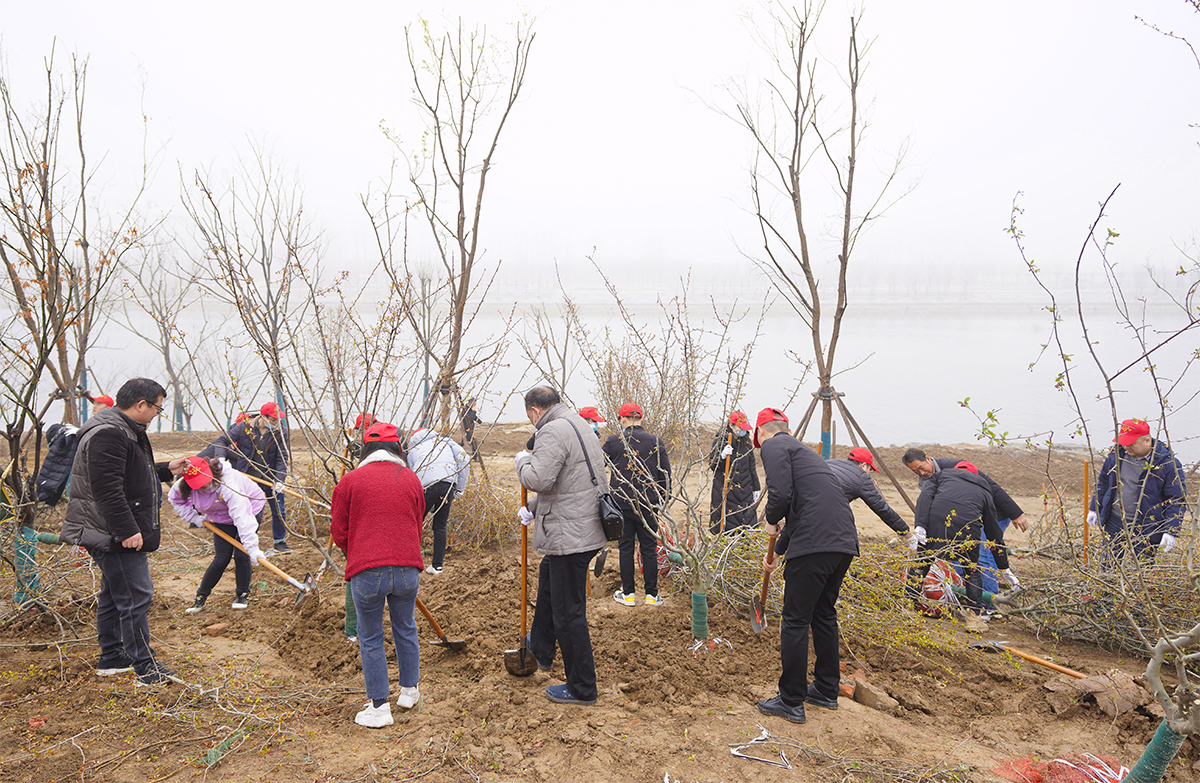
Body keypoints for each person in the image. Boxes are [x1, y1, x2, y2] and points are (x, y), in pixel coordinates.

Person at [59, 378, 186, 685]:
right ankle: (145, 668)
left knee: (115, 594)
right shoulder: (111, 434)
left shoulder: (120, 430)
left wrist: (168, 469)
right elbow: (107, 489)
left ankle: (113, 657)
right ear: (140, 404)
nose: (158, 413)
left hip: (107, 528)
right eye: (156, 406)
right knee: (136, 594)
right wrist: (127, 530)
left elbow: (129, 472)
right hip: (111, 531)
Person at [755, 407, 858, 725]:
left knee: (795, 620)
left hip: (815, 542)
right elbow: (804, 507)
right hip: (842, 542)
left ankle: (791, 700)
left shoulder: (774, 444)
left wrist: (771, 521)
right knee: (824, 614)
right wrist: (779, 551)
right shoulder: (806, 455)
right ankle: (826, 690)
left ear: (761, 432)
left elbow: (781, 495)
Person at [331, 422, 427, 728]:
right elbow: (418, 524)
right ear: (397, 447)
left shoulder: (349, 482)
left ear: (365, 448)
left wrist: (358, 552)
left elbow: (339, 532)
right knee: (406, 627)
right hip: (407, 568)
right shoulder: (411, 479)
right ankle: (410, 691)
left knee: (370, 636)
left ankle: (379, 707)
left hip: (367, 570)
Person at [515, 385, 607, 705]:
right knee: (548, 576)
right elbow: (570, 484)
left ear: (535, 410)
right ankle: (540, 647)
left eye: (530, 417)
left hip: (571, 535)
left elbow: (538, 478)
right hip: (582, 526)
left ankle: (582, 688)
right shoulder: (578, 423)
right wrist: (535, 510)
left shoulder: (552, 430)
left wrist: (521, 462)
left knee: (568, 613)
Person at [903, 447, 1028, 592]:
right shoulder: (926, 479)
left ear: (928, 458)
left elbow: (993, 487)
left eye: (921, 467)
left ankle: (989, 604)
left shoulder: (959, 467)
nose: (921, 473)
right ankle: (968, 593)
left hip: (993, 514)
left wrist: (1016, 514)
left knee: (983, 557)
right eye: (915, 472)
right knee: (957, 554)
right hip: (965, 517)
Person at [911, 460, 1017, 614]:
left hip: (935, 524)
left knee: (921, 563)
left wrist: (920, 525)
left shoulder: (939, 477)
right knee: (971, 570)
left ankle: (907, 607)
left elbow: (924, 499)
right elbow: (993, 533)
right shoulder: (985, 491)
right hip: (967, 530)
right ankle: (973, 617)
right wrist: (1004, 568)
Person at [170, 456, 266, 612]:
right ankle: (200, 598)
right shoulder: (183, 486)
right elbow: (176, 500)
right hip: (220, 518)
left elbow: (241, 515)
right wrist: (194, 518)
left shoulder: (227, 483)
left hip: (249, 508)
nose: (204, 487)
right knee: (221, 558)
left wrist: (252, 547)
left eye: (205, 481)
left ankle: (242, 594)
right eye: (198, 486)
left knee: (242, 554)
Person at [1088, 418, 1186, 560]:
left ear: (1147, 441)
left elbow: (1176, 499)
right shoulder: (1116, 455)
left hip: (1147, 527)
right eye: (1124, 442)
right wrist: (1095, 507)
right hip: (1115, 521)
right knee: (1108, 564)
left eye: (1131, 443)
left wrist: (1171, 530)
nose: (1126, 446)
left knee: (1142, 569)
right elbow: (1104, 482)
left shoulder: (1168, 465)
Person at [603, 403, 672, 606]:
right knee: (648, 547)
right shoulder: (655, 441)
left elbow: (598, 464)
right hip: (648, 504)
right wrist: (661, 500)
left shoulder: (614, 441)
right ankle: (651, 595)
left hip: (621, 503)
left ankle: (628, 594)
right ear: (641, 418)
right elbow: (665, 475)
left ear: (623, 420)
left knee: (625, 547)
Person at [203, 402, 291, 554]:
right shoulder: (244, 428)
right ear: (263, 417)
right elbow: (222, 441)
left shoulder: (281, 432)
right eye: (273, 419)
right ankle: (245, 541)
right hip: (247, 477)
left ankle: (279, 542)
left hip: (270, 477)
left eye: (278, 419)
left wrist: (280, 480)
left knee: (279, 510)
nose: (276, 423)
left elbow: (282, 457)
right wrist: (222, 460)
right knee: (248, 509)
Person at [407, 427, 470, 575]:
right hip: (447, 484)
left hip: (425, 487)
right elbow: (464, 458)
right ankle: (437, 566)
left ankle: (411, 564)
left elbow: (411, 473)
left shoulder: (414, 449)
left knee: (414, 525)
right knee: (440, 526)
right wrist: (459, 488)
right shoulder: (445, 442)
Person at [826, 447, 909, 536]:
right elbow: (882, 509)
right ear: (864, 465)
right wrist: (905, 532)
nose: (869, 473)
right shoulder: (862, 477)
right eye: (870, 470)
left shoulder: (830, 462)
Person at [709, 410, 760, 533]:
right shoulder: (721, 441)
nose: (742, 431)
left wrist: (756, 487)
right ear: (731, 425)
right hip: (726, 488)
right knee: (728, 524)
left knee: (747, 524)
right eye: (740, 428)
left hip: (746, 488)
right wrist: (721, 456)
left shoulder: (747, 442)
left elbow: (752, 466)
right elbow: (713, 465)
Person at [460, 397, 484, 466]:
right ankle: (474, 458)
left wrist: (480, 422)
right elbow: (470, 417)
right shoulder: (465, 410)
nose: (475, 406)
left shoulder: (470, 410)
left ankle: (454, 449)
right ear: (471, 404)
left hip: (470, 429)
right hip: (467, 429)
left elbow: (474, 417)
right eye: (475, 404)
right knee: (474, 442)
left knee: (462, 443)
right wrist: (474, 411)